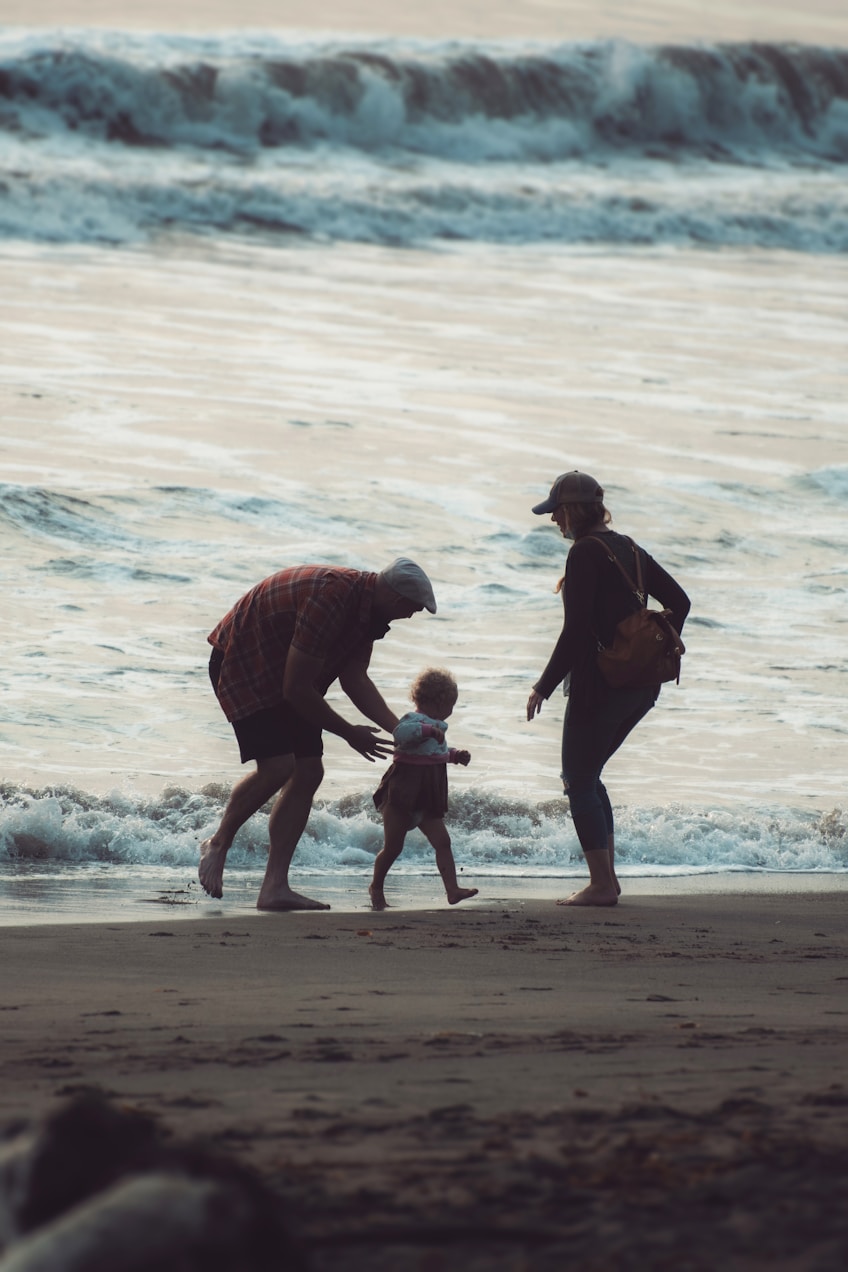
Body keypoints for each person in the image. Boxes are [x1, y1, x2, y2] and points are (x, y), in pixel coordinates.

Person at [199, 558, 437, 912]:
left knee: (309, 770)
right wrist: (349, 733)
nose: (411, 616)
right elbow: (295, 688)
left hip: (289, 673)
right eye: (413, 608)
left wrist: (401, 730)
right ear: (396, 598)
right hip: (245, 659)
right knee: (278, 767)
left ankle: (274, 887)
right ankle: (218, 843)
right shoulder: (333, 597)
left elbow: (355, 678)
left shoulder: (369, 612)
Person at [526, 471, 690, 907]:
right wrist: (647, 649)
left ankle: (601, 885)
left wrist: (543, 686)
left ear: (573, 510)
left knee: (578, 779)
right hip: (641, 686)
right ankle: (608, 881)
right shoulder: (629, 548)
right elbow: (681, 602)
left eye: (556, 511)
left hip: (600, 686)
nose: (553, 520)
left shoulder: (584, 552)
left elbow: (576, 631)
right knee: (589, 775)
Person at [369, 667, 477, 910]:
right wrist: (427, 730)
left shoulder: (437, 727)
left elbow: (435, 753)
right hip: (402, 796)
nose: (451, 711)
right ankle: (376, 886)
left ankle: (452, 890)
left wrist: (455, 755)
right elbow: (400, 734)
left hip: (427, 799)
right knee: (393, 847)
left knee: (443, 842)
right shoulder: (412, 720)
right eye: (450, 705)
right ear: (438, 703)